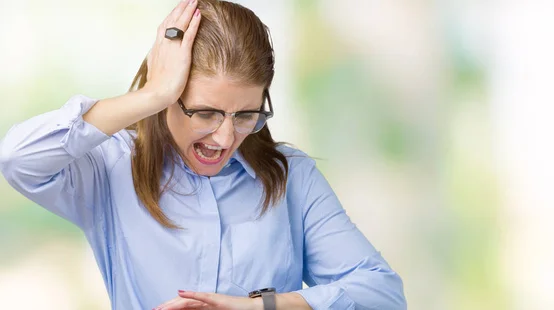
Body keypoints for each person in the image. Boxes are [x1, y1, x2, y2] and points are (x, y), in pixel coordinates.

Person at [0, 0, 406, 309]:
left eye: (246, 114)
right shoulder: (110, 169)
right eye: (205, 112)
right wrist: (151, 94)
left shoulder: (291, 178)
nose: (226, 136)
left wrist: (260, 306)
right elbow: (18, 158)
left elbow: (381, 292)